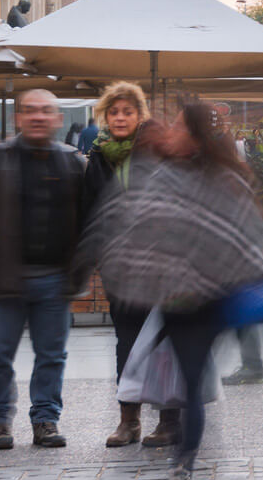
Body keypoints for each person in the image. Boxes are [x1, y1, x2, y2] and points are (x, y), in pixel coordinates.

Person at [79, 100, 263, 480]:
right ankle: (182, 467)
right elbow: (124, 221)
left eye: (178, 126)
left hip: (208, 299)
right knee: (188, 382)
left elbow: (249, 235)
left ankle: (183, 472)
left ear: (195, 135)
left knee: (191, 383)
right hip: (174, 296)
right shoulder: (158, 172)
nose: (169, 132)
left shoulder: (227, 180)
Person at [0, 89, 84, 451]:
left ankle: (45, 419)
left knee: (52, 356)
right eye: (30, 111)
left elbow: (87, 222)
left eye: (45, 111)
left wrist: (80, 269)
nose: (38, 117)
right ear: (19, 119)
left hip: (55, 279)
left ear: (58, 118)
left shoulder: (74, 162)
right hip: (4, 277)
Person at [80, 82, 186, 449]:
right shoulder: (98, 156)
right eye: (113, 112)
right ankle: (129, 420)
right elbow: (90, 211)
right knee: (126, 342)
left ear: (140, 116)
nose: (120, 117)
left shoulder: (159, 153)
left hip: (160, 264)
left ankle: (169, 420)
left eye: (127, 111)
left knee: (162, 344)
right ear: (104, 117)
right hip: (120, 266)